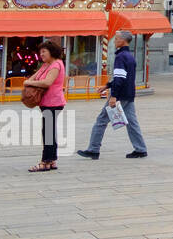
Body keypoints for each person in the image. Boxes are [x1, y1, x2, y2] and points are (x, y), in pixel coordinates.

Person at [77, 30, 147, 160]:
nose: (114, 41)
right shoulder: (130, 56)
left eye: (116, 39)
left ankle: (93, 149)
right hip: (129, 93)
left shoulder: (120, 57)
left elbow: (119, 78)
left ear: (122, 41)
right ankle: (141, 149)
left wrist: (113, 96)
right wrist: (107, 85)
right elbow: (124, 77)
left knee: (101, 120)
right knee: (132, 122)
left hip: (119, 94)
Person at [24, 40, 67, 172]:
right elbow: (33, 77)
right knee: (49, 131)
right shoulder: (45, 65)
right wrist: (29, 81)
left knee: (48, 132)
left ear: (51, 52)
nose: (41, 54)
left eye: (44, 51)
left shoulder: (56, 65)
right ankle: (52, 160)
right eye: (40, 52)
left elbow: (47, 82)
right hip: (46, 102)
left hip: (53, 102)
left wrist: (29, 83)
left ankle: (45, 162)